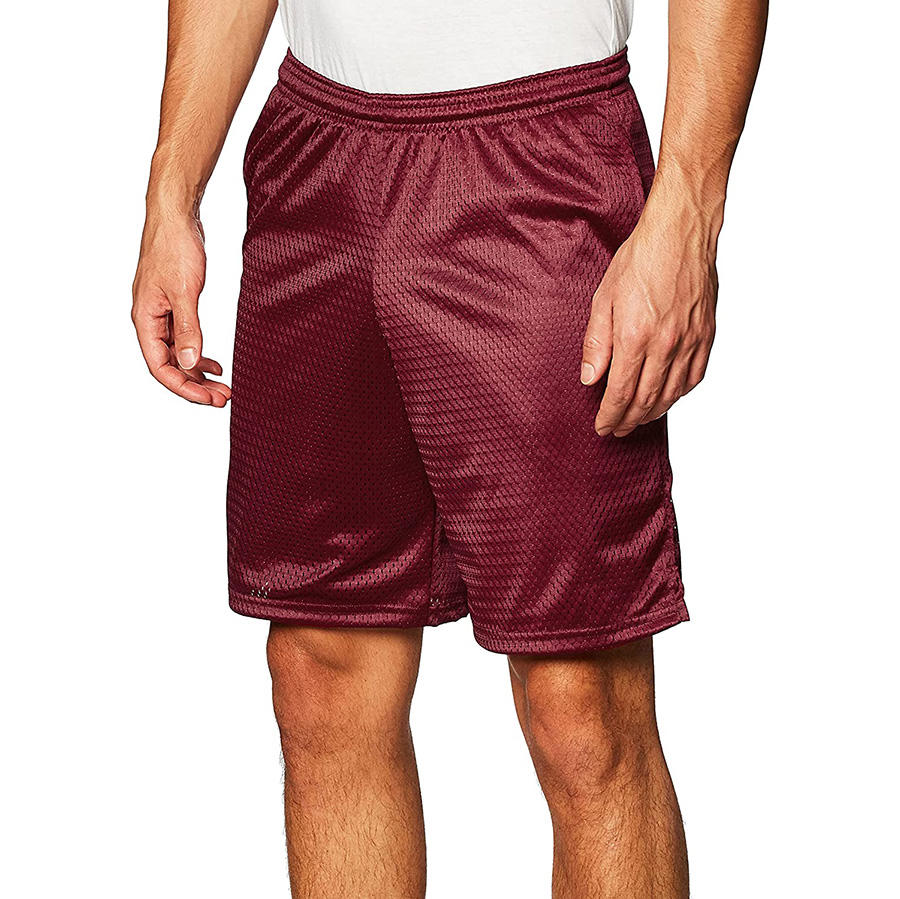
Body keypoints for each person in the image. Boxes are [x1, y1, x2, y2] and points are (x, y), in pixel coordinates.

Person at [131, 0, 766, 894]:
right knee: (320, 669)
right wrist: (171, 190)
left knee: (580, 697)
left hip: (542, 149)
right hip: (319, 157)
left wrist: (689, 214)